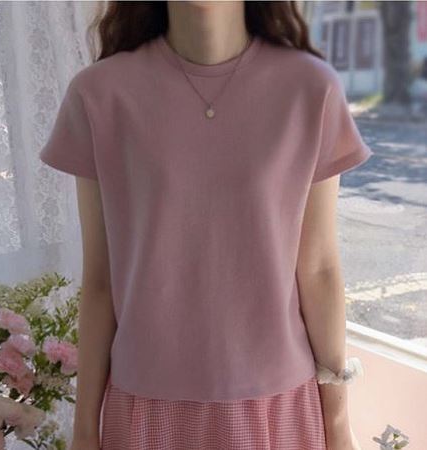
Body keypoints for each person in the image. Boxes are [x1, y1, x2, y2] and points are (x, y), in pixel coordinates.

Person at [39, 2, 373, 449]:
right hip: (144, 408)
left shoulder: (311, 89)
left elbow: (318, 269)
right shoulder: (100, 95)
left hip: (277, 410)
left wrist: (337, 424)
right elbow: (100, 281)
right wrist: (84, 429)